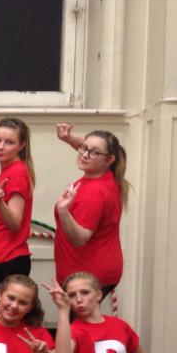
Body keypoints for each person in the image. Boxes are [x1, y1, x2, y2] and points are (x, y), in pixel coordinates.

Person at [53, 123, 129, 298]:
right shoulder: (107, 175)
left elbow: (80, 238)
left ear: (110, 159)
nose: (85, 154)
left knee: (77, 325)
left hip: (88, 276)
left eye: (93, 152)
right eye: (83, 148)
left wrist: (63, 211)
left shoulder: (94, 192)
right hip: (91, 270)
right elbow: (95, 149)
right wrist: (69, 139)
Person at [0, 118, 34, 313]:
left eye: (9, 142)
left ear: (22, 145)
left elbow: (14, 222)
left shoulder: (17, 173)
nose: (0, 147)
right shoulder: (7, 171)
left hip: (8, 258)